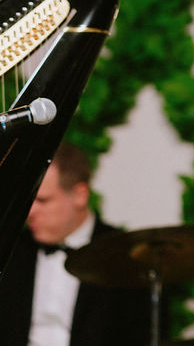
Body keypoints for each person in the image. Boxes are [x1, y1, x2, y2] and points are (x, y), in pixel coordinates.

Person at [0, 142, 151, 346]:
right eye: (29, 200)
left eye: (43, 200)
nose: (30, 211)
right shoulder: (11, 247)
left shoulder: (123, 254)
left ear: (80, 195)